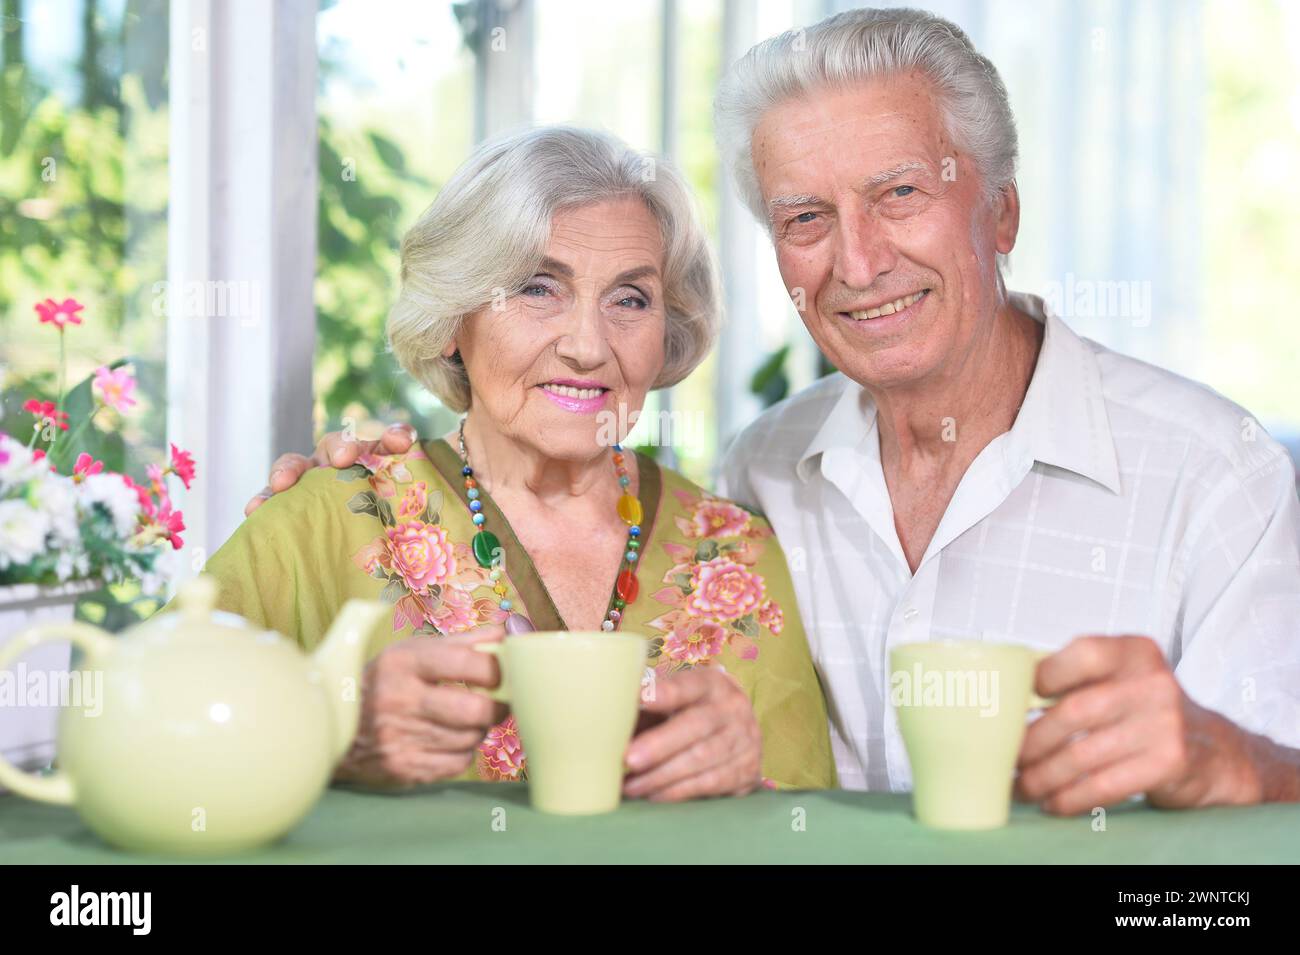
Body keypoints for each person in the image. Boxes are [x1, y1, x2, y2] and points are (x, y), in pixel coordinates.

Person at [265, 8, 1300, 812]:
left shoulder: (1217, 474)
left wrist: (1231, 758)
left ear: (1001, 209)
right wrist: (392, 479)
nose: (857, 262)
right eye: (806, 217)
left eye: (899, 193)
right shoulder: (760, 470)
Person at [197, 125, 834, 799]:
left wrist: (750, 779)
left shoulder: (737, 553)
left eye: (630, 298)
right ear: (451, 316)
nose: (588, 346)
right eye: (537, 287)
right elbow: (147, 749)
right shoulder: (323, 521)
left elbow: (814, 831)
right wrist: (326, 736)